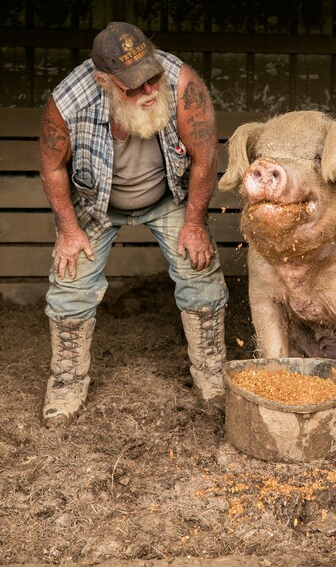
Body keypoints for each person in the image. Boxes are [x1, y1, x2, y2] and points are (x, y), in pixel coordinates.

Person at [39, 21, 229, 427]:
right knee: (71, 280)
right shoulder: (69, 102)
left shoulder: (181, 84)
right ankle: (67, 380)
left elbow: (206, 156)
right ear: (104, 81)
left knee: (199, 270)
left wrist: (194, 223)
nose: (148, 91)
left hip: (168, 196)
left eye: (151, 78)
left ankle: (212, 374)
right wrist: (70, 232)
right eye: (134, 86)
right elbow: (52, 167)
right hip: (94, 202)